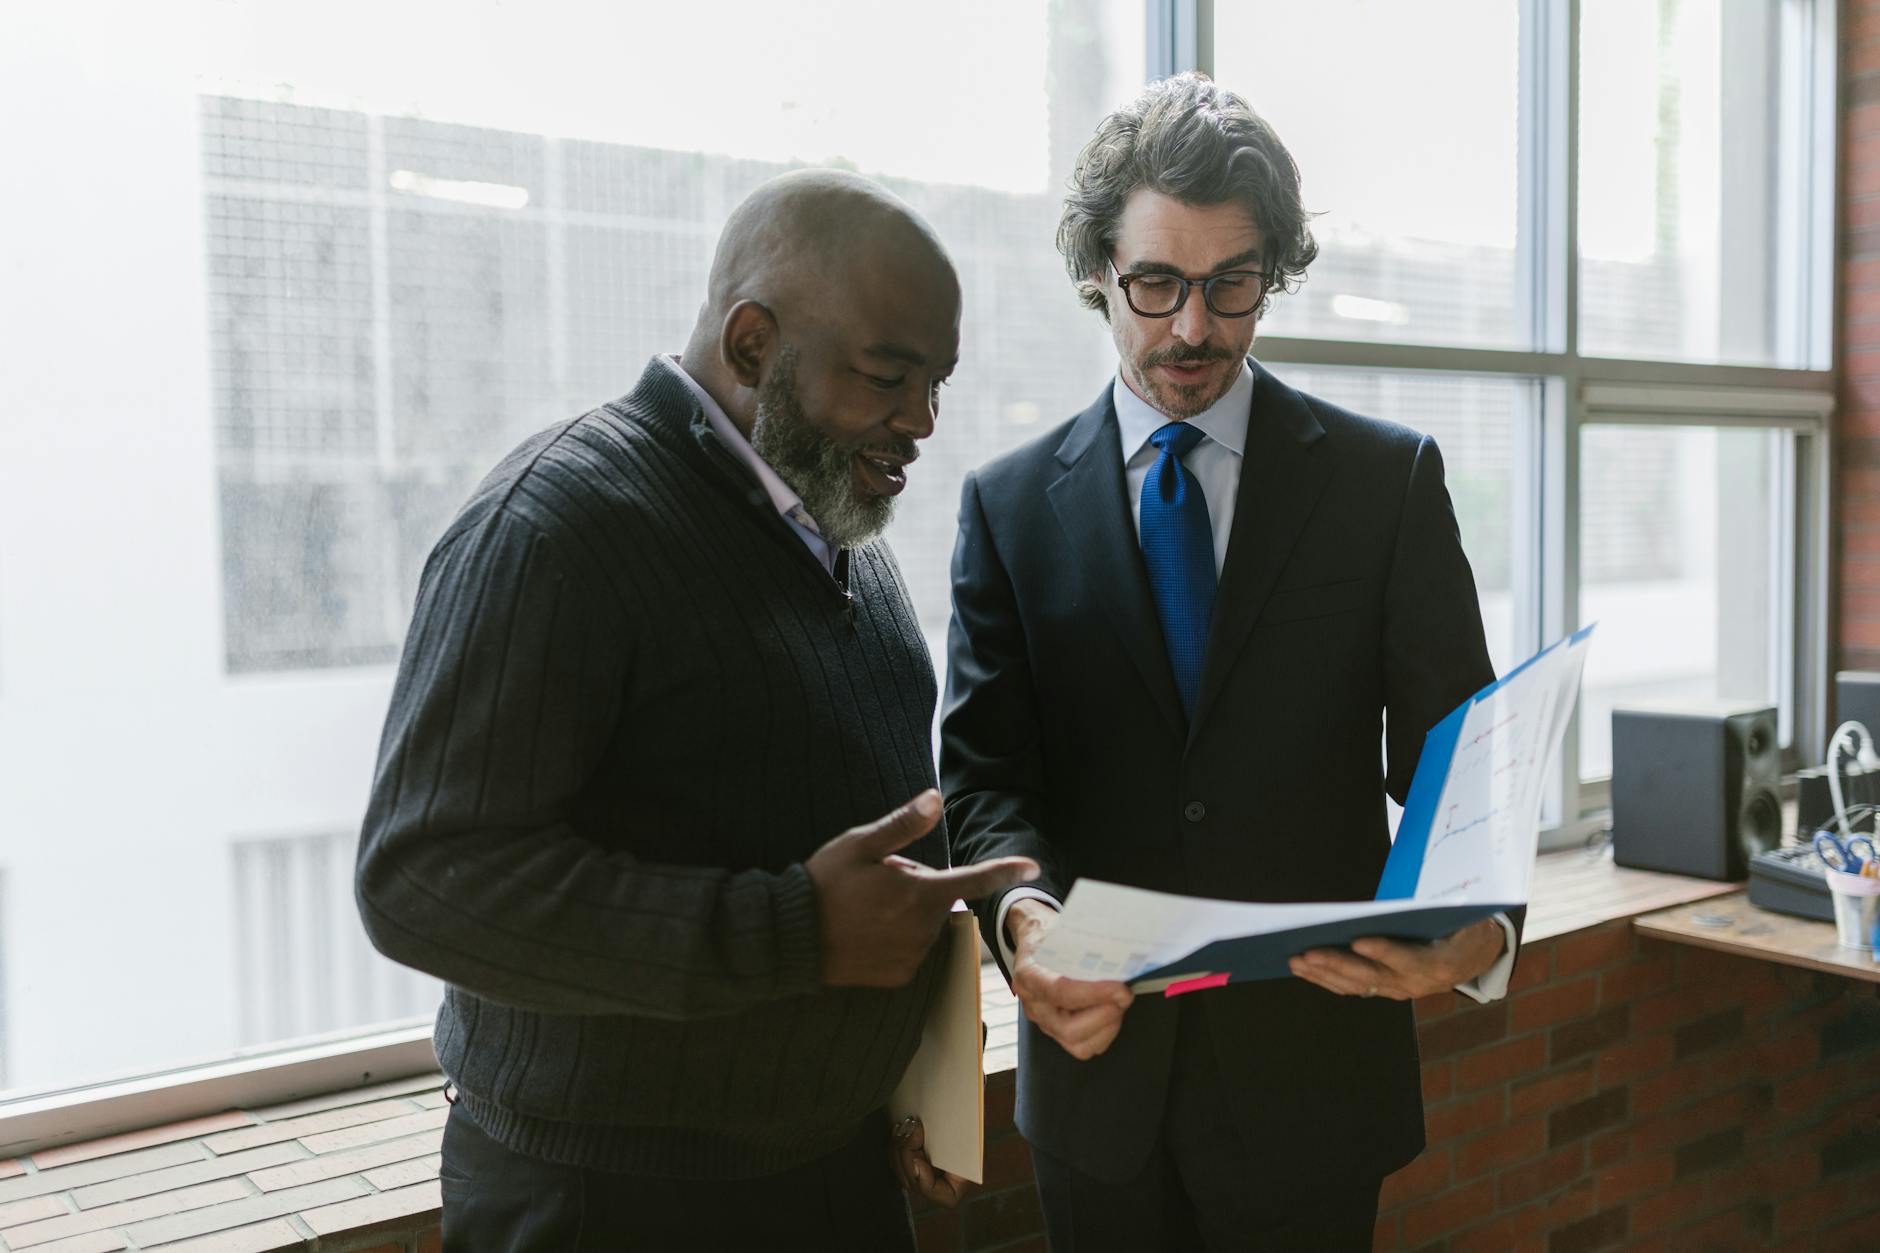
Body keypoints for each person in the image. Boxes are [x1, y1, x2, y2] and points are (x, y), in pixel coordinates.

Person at [356, 168, 1038, 1252]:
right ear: (755, 342)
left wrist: (907, 1069)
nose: (920, 418)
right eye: (887, 375)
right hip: (614, 1205)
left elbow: (867, 825)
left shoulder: (837, 529)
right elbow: (422, 881)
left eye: (937, 381)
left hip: (835, 1166)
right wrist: (795, 929)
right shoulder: (554, 527)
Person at [941, 74, 1519, 1251]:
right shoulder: (1004, 508)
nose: (1192, 327)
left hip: (1312, 1089)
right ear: (1096, 269)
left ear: (1274, 272)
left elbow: (1459, 759)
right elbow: (985, 778)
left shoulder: (1382, 483)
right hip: (1099, 1098)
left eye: (1230, 284)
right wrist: (1020, 922)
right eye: (1153, 284)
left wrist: (1481, 933)